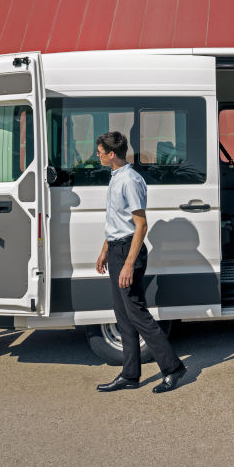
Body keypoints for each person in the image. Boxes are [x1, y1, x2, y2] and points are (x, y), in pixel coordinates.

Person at [93, 130, 187, 394]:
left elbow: (140, 225)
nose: (97, 156)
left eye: (100, 152)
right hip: (115, 249)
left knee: (138, 315)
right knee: (123, 317)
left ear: (112, 154)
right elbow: (114, 221)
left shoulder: (131, 181)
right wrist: (104, 251)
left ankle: (172, 368)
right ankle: (130, 374)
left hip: (127, 253)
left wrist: (127, 264)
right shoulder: (115, 177)